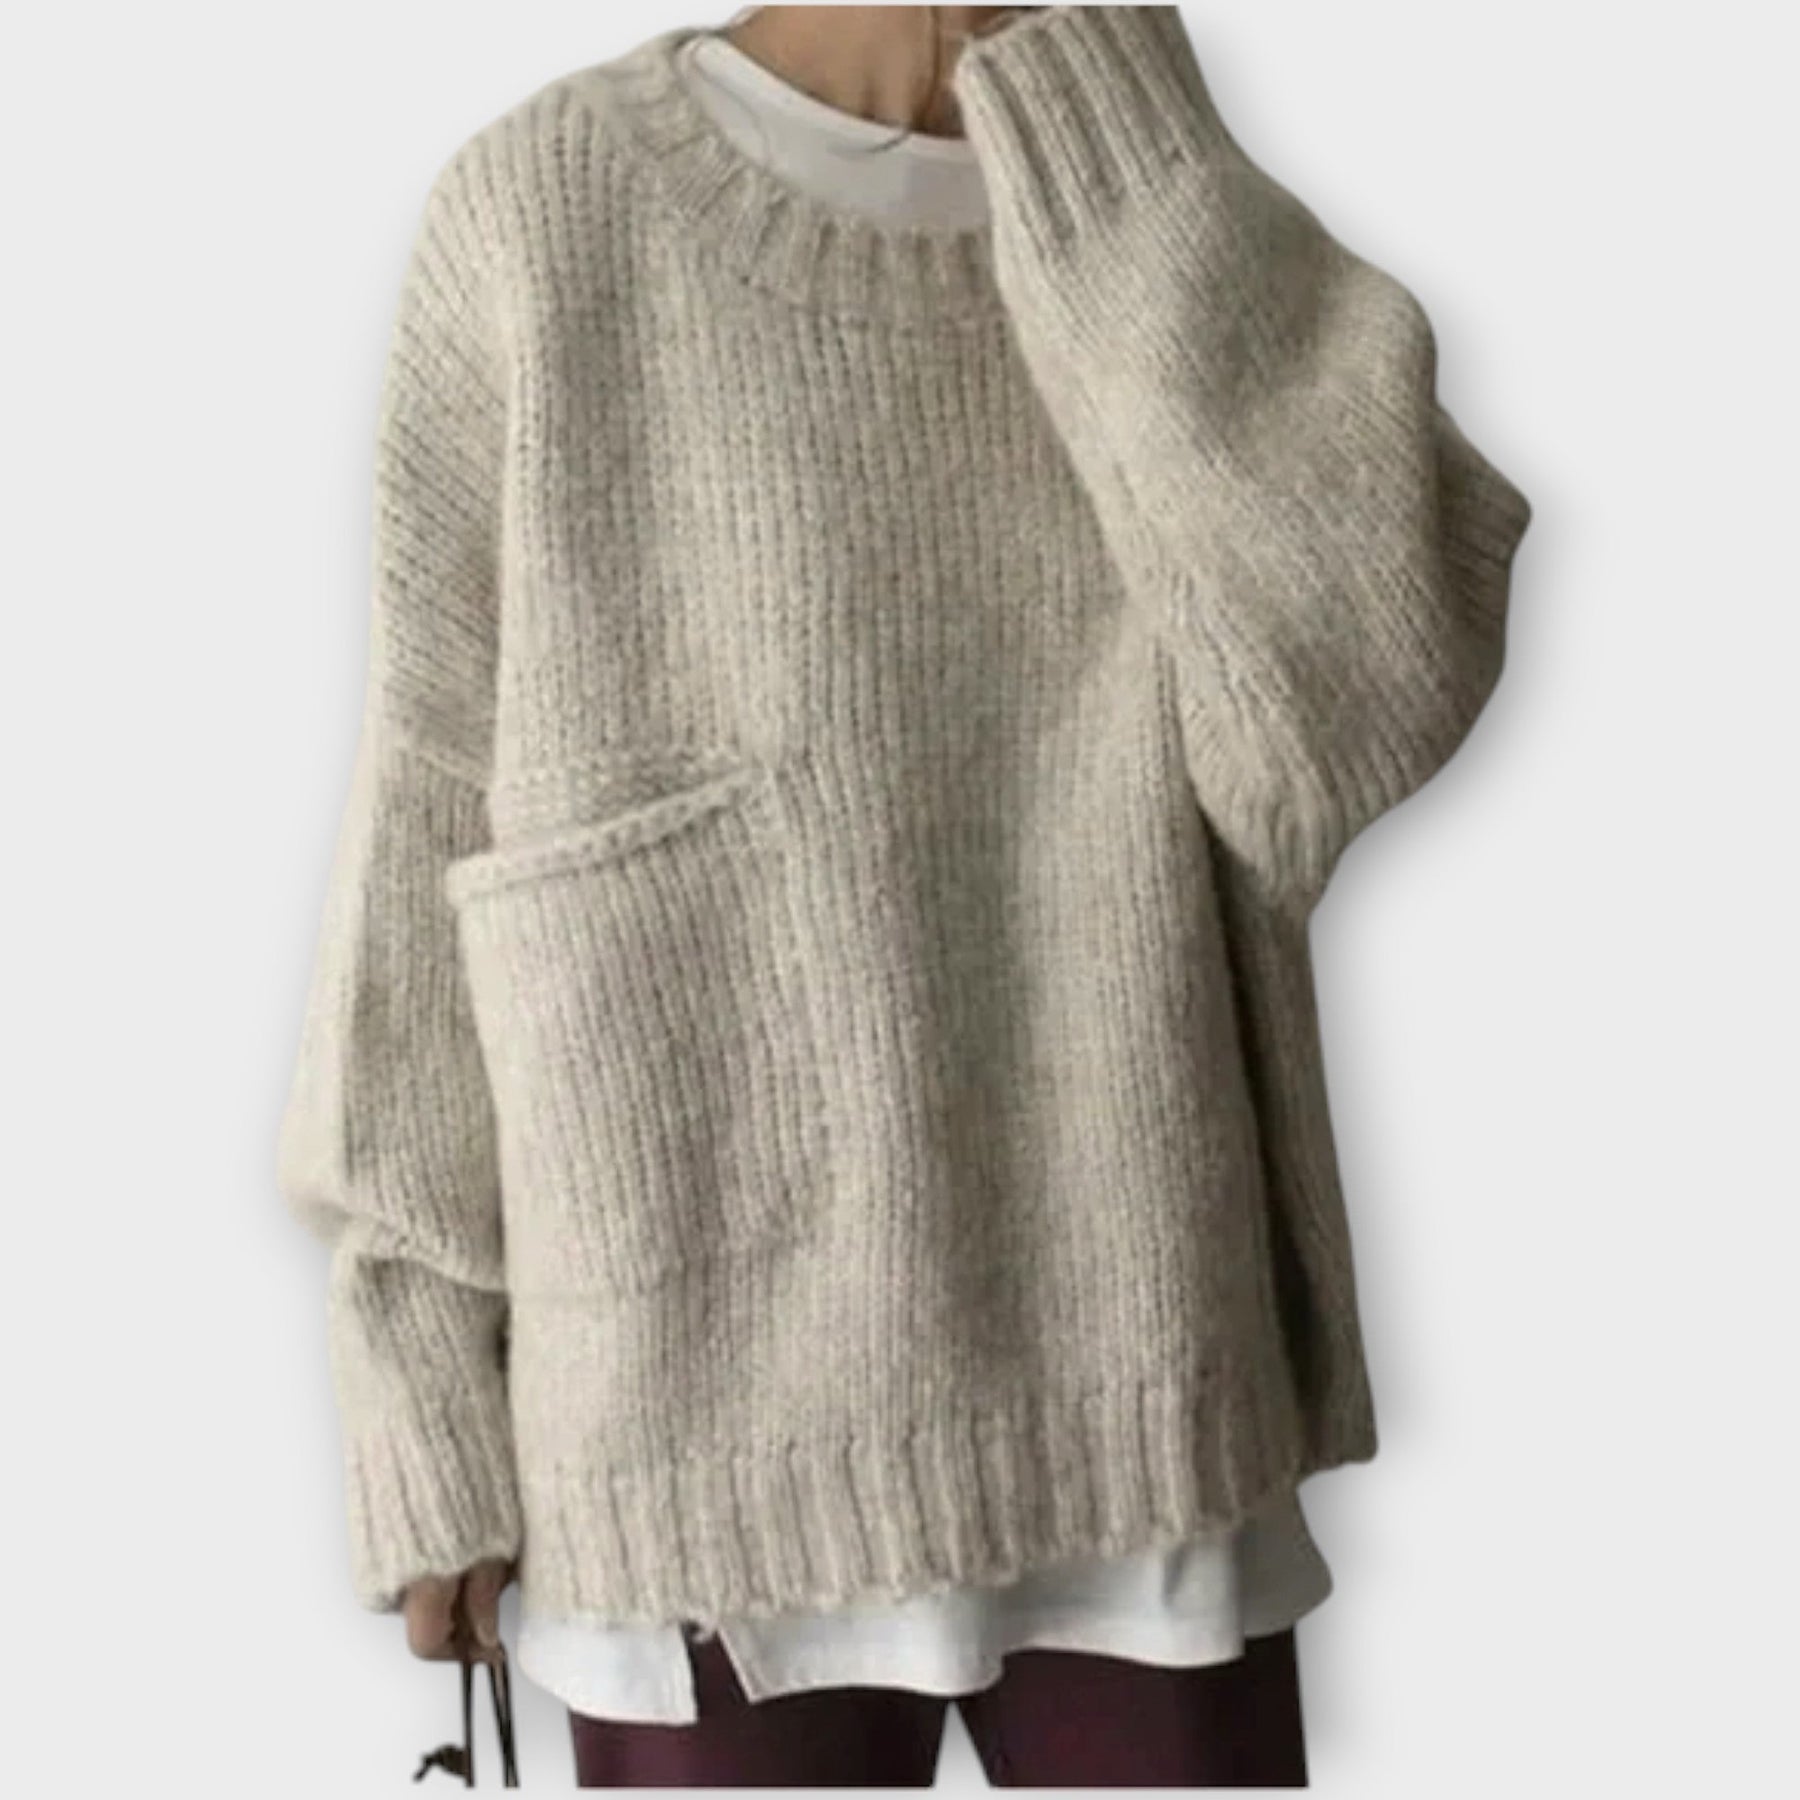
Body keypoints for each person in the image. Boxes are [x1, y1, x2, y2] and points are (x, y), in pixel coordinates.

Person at [276, 4, 1531, 1785]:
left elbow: (1343, 720)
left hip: (1143, 1394)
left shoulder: (1135, 194)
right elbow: (428, 814)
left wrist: (1104, 116)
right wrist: (418, 1384)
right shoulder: (549, 213)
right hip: (690, 1440)